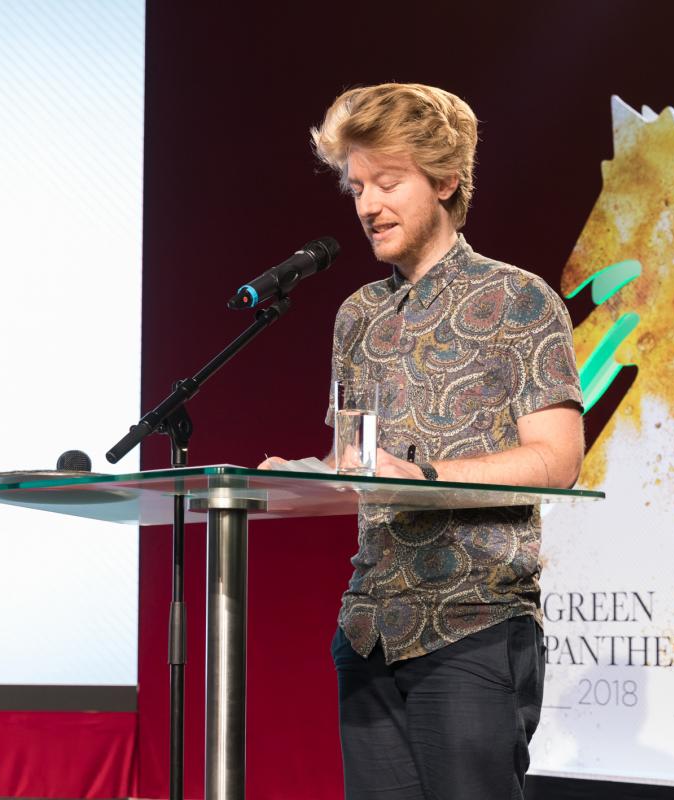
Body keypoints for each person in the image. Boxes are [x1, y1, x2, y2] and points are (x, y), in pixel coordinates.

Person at [262, 83, 584, 800]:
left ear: (444, 181)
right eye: (357, 187)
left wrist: (426, 476)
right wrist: (299, 476)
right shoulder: (357, 315)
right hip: (369, 629)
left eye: (387, 182)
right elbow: (357, 463)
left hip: (473, 622)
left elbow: (558, 460)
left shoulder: (519, 299)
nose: (367, 206)